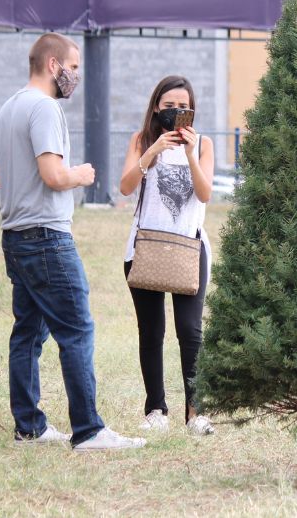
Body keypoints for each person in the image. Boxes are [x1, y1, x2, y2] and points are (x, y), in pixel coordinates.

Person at [0, 33, 145, 451]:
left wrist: (36, 177)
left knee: (27, 334)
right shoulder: (44, 108)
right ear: (54, 64)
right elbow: (55, 176)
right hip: (47, 237)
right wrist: (81, 174)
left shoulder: (7, 108)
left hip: (15, 238)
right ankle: (89, 431)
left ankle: (29, 428)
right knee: (77, 329)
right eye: (73, 67)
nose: (76, 76)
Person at [117, 75, 216, 436]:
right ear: (156, 107)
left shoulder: (203, 144)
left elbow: (205, 195)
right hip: (145, 247)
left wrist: (189, 153)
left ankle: (196, 412)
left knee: (191, 331)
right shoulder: (141, 140)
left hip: (189, 248)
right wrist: (153, 150)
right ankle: (156, 409)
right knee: (151, 331)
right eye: (169, 107)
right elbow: (125, 186)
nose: (176, 113)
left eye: (183, 107)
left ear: (192, 111)